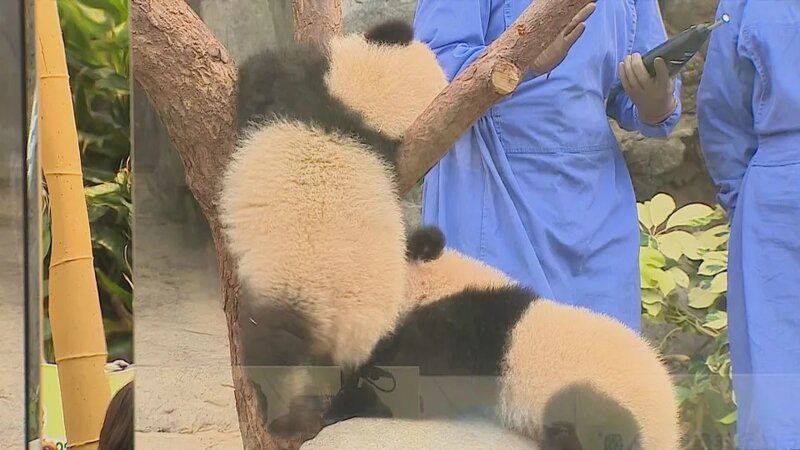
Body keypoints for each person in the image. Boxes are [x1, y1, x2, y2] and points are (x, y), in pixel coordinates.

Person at [412, 1, 681, 330]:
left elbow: (637, 82)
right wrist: (522, 59)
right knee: (499, 352)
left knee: (604, 354)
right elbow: (430, 66)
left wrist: (656, 102)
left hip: (598, 208)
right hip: (493, 193)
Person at [697, 1, 800, 448]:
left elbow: (721, 109)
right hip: (775, 190)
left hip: (775, 195)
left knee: (777, 384)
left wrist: (747, 203)